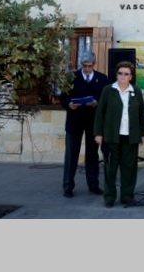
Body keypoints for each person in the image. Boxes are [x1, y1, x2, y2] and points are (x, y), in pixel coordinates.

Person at [93, 61, 144, 207]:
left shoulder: (136, 91)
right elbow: (99, 114)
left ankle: (127, 196)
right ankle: (109, 197)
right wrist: (98, 133)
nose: (122, 76)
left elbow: (142, 114)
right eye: (120, 73)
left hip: (130, 137)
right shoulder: (108, 90)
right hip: (111, 136)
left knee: (129, 169)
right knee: (110, 168)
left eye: (126, 74)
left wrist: (143, 133)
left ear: (131, 76)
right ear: (116, 74)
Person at [59, 52, 109, 198]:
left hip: (93, 121)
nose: (87, 69)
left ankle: (93, 184)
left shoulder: (102, 78)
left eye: (90, 66)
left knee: (92, 154)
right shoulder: (71, 77)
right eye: (85, 66)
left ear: (94, 64)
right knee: (71, 154)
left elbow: (104, 99)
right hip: (74, 120)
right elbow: (63, 97)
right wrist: (69, 104)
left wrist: (96, 102)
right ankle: (68, 186)